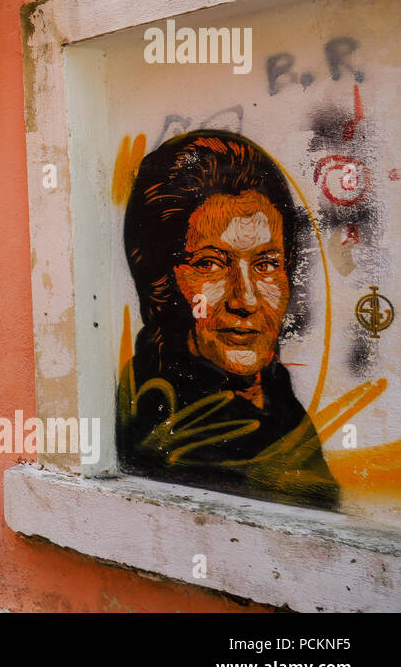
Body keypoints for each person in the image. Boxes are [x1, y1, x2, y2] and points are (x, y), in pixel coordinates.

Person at [118, 131, 339, 509]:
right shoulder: (171, 432)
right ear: (163, 282)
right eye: (210, 263)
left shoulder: (278, 408)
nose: (246, 299)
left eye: (267, 265)